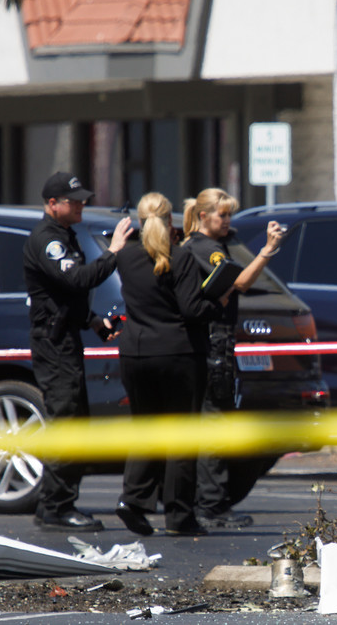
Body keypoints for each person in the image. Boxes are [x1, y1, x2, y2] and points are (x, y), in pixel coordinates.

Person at [24, 171, 133, 531]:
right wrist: (114, 251)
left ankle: (57, 503)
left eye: (82, 199)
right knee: (66, 423)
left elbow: (68, 297)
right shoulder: (47, 240)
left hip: (65, 339)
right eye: (74, 201)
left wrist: (94, 321)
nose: (81, 205)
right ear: (52, 204)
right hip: (53, 344)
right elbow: (76, 279)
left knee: (76, 422)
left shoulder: (64, 235)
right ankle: (56, 508)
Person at [114, 192, 223, 536]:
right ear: (171, 220)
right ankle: (179, 515)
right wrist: (217, 303)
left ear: (139, 220)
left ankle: (133, 501)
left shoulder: (127, 257)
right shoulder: (181, 257)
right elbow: (192, 310)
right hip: (178, 354)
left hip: (135, 353)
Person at [181, 188, 285, 528]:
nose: (227, 221)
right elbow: (239, 281)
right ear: (203, 216)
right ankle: (211, 505)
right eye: (222, 215)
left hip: (217, 344)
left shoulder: (213, 245)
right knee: (213, 426)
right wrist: (267, 251)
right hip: (212, 345)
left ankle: (209, 500)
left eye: (229, 215)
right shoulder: (204, 248)